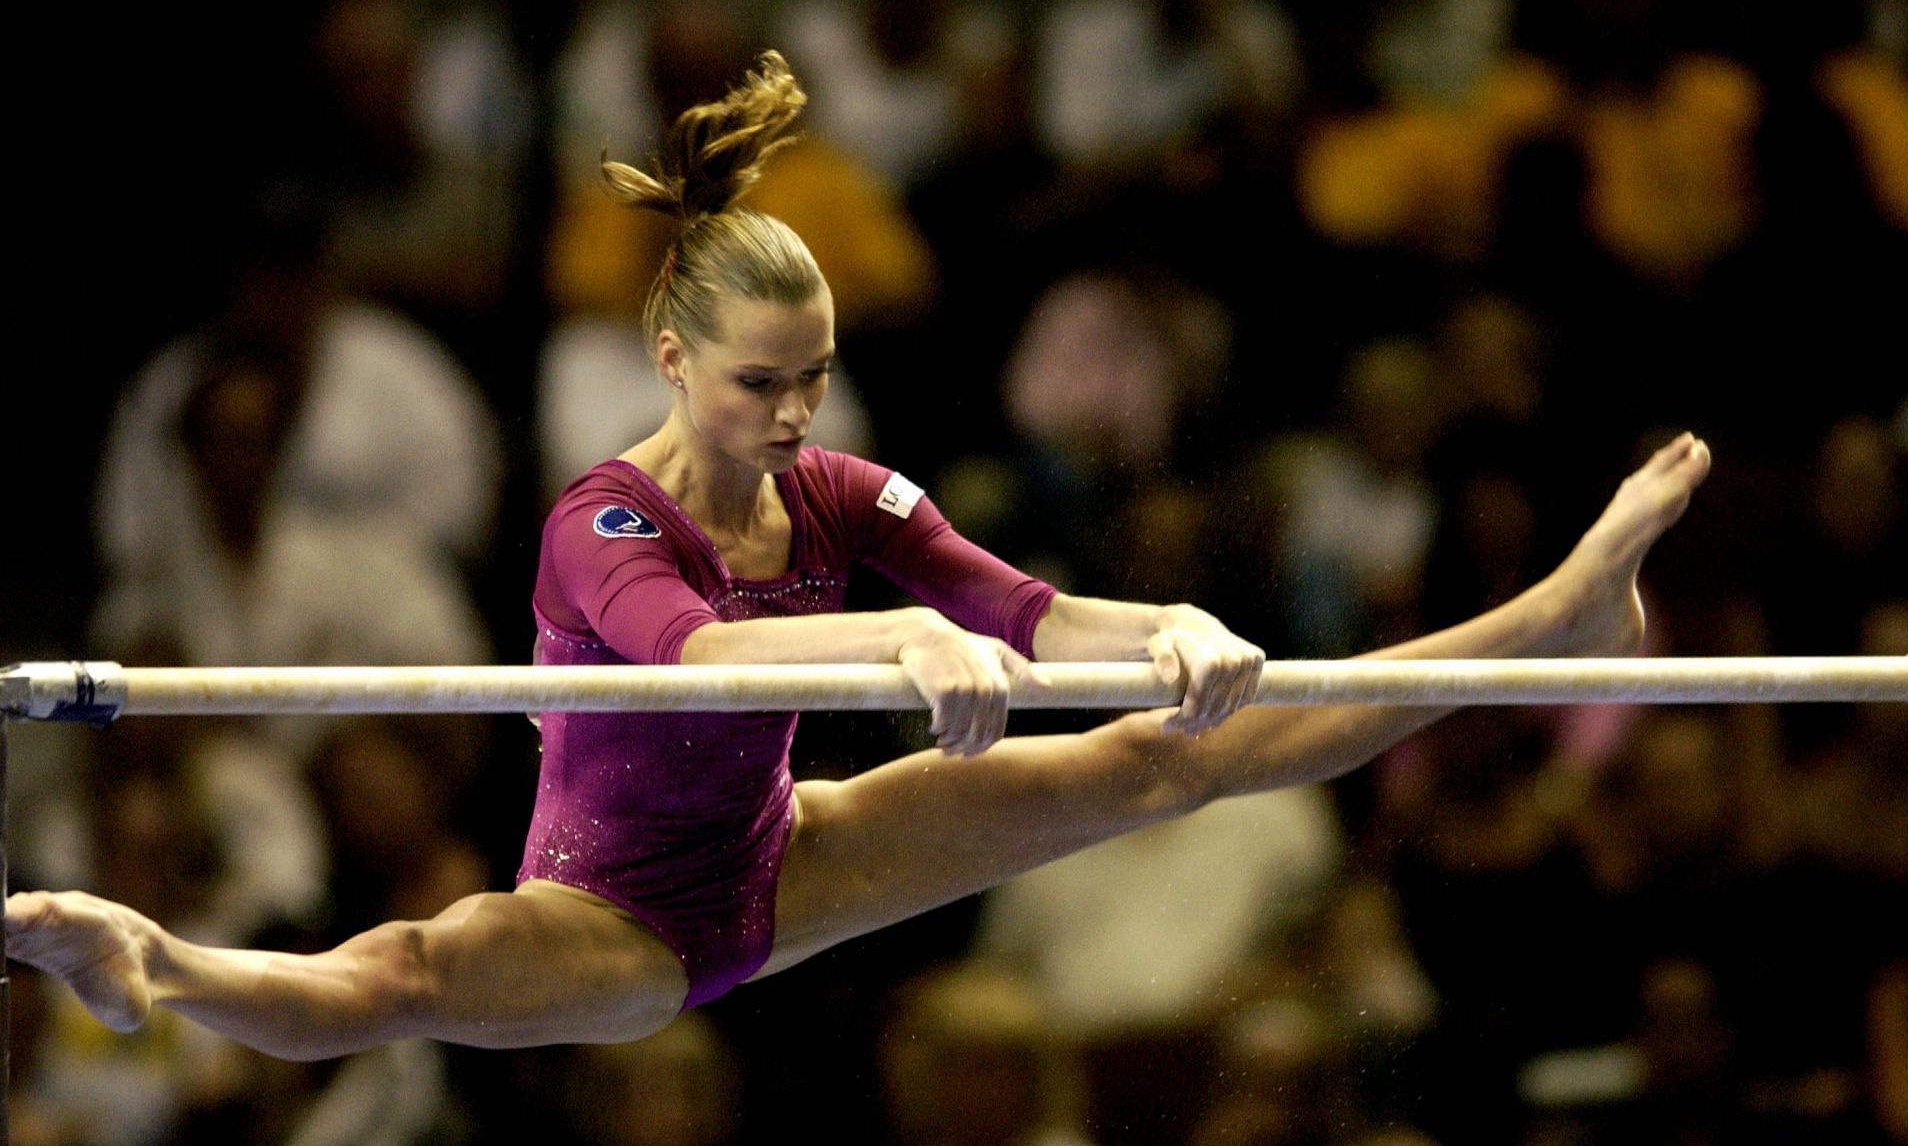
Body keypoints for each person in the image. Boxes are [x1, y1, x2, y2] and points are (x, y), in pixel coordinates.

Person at [6, 53, 1712, 1064]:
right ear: (670, 359)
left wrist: (1173, 624)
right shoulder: (598, 523)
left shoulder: (840, 493)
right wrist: (894, 660)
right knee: (405, 976)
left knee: (1165, 755)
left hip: (789, 854)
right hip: (615, 911)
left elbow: (1034, 616)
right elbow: (695, 659)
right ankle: (152, 962)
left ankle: (1547, 617)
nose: (793, 411)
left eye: (811, 378)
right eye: (761, 382)